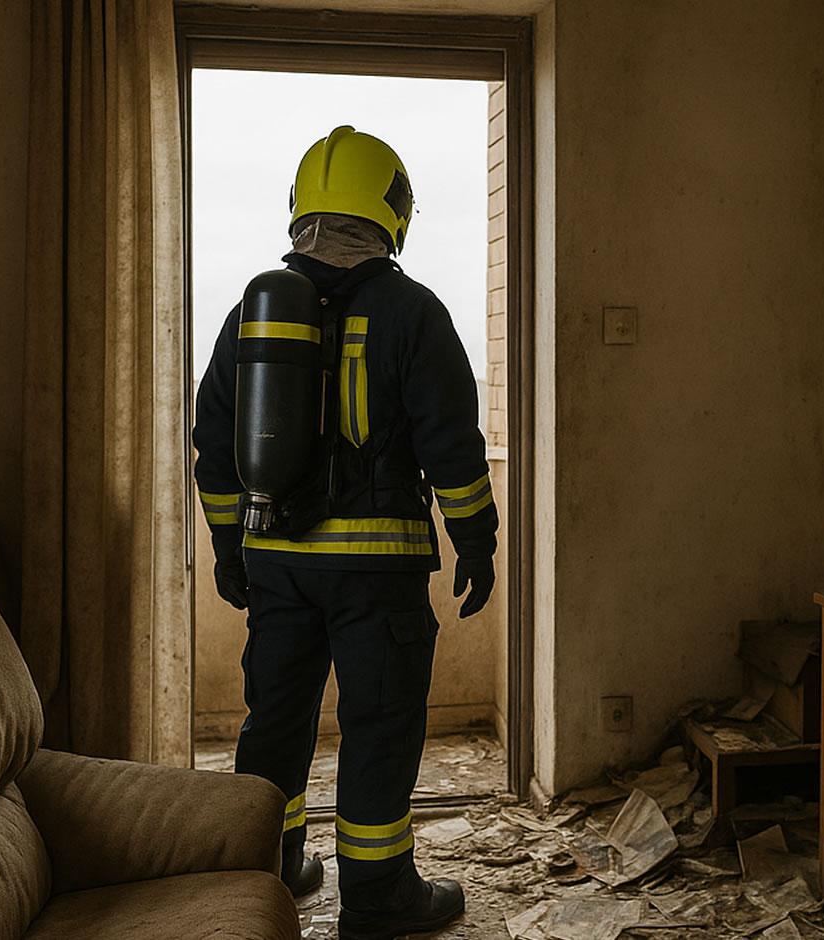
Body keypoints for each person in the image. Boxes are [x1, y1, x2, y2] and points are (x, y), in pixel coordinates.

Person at [193, 125, 497, 940]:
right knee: (380, 724)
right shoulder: (414, 313)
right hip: (378, 573)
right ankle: (378, 900)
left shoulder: (251, 315)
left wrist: (229, 546)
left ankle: (269, 871)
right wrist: (477, 539)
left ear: (302, 210)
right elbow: (452, 447)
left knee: (277, 721)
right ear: (392, 209)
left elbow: (215, 441)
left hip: (277, 566)